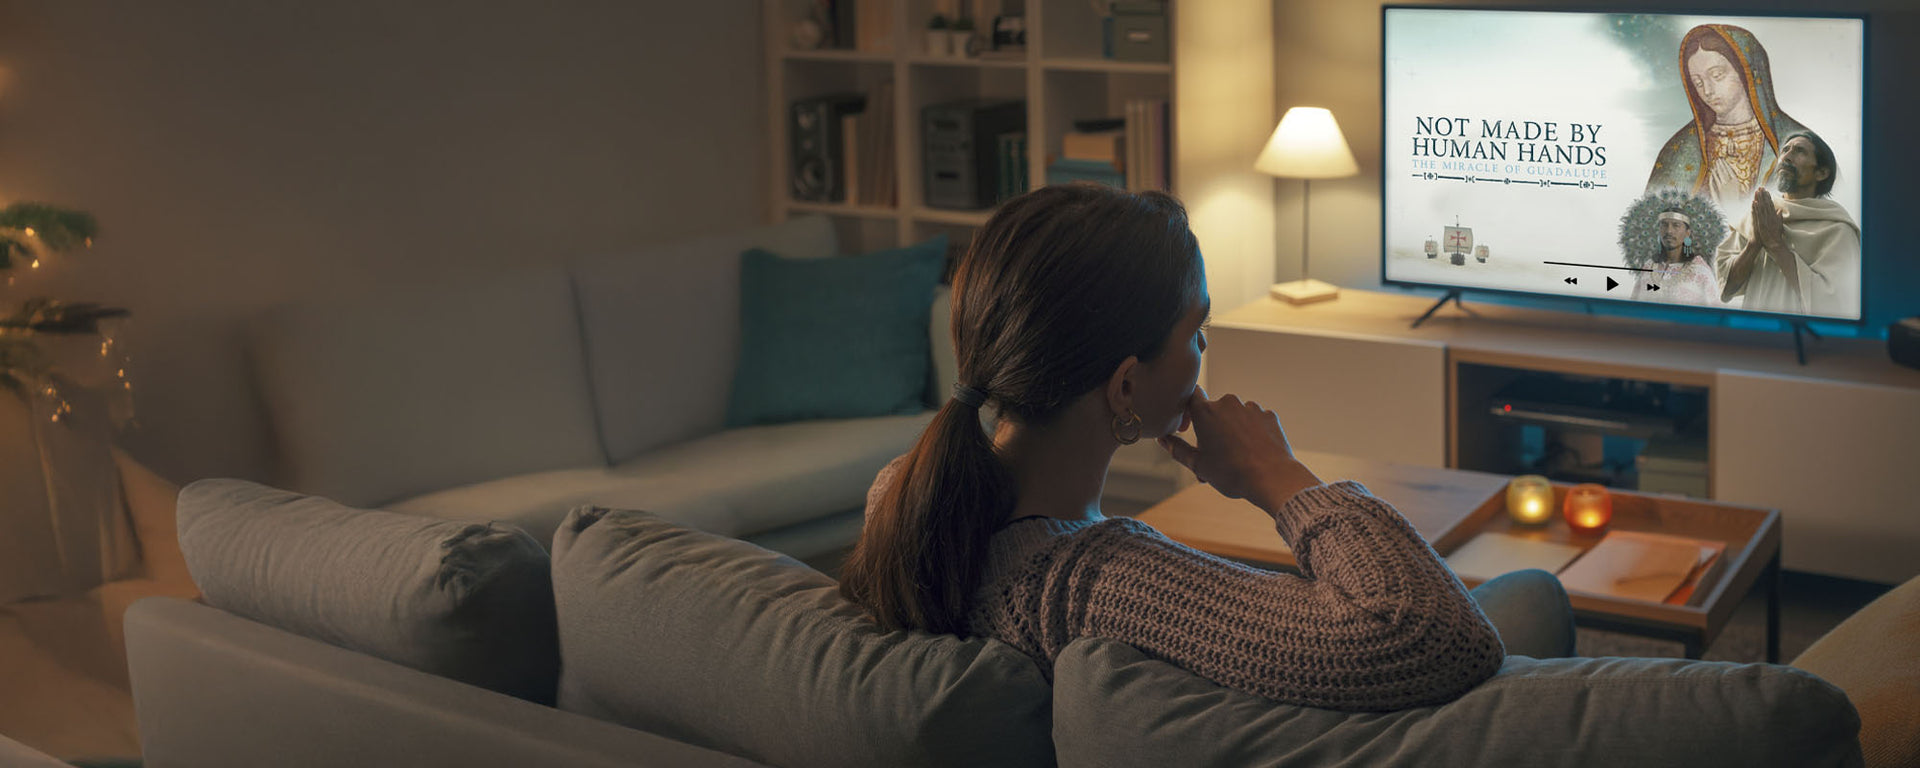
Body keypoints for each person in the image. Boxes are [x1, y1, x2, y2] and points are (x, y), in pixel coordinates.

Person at [838, 183, 1576, 713]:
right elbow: (1431, 633)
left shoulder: (901, 494)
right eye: (1196, 332)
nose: (1202, 352)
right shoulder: (1100, 584)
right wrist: (1279, 477)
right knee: (1533, 599)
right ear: (1126, 388)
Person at [1646, 25, 1809, 214]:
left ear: (1747, 71)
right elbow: (1651, 227)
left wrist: (1733, 204)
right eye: (1697, 82)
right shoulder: (1680, 149)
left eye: (1717, 75)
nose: (1707, 90)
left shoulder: (1798, 143)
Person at [1715, 131, 1859, 317]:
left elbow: (1835, 303)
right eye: (1785, 150)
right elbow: (1726, 289)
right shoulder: (1760, 216)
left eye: (1799, 151)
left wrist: (1776, 246)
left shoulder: (1837, 230)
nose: (1787, 157)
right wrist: (1754, 244)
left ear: (1821, 173)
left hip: (1802, 341)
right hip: (1753, 337)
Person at [1631, 208, 1721, 306]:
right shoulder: (1649, 267)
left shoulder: (1700, 271)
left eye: (1676, 225)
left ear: (1687, 233)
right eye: (1664, 225)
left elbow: (1714, 313)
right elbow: (1633, 308)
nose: (1669, 231)